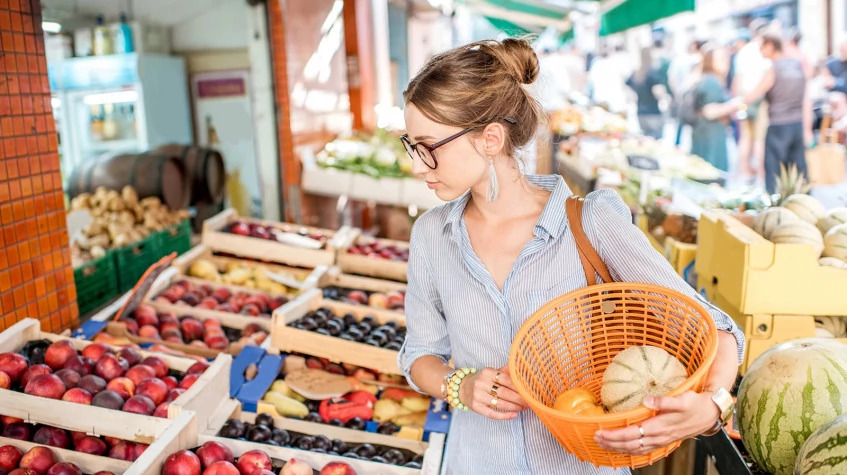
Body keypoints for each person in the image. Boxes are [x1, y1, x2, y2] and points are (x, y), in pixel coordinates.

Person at [399, 37, 745, 474]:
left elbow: (713, 328)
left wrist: (712, 406)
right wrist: (460, 385)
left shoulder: (590, 223)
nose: (416, 165)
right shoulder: (432, 235)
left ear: (490, 138)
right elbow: (419, 356)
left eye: (429, 146)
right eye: (411, 145)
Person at [744, 33, 811, 193]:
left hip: (778, 125)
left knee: (774, 170)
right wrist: (807, 129)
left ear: (770, 46)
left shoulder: (773, 68)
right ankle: (803, 202)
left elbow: (753, 95)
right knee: (798, 169)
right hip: (796, 124)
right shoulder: (797, 65)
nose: (760, 51)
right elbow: (806, 99)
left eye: (762, 47)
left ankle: (775, 206)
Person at [733, 19, 771, 181]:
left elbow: (737, 79)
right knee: (759, 140)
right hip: (760, 99)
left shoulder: (744, 51)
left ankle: (744, 172)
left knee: (745, 138)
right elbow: (767, 80)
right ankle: (761, 175)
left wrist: (738, 100)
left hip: (744, 98)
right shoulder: (765, 52)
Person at [691, 46, 738, 172]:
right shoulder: (711, 82)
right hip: (710, 134)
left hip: (707, 132)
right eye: (721, 59)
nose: (726, 62)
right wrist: (732, 105)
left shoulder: (709, 79)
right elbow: (709, 111)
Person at [626, 47, 665, 139]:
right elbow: (658, 91)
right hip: (653, 112)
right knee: (656, 142)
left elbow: (627, 86)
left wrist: (634, 96)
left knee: (646, 140)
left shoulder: (637, 73)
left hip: (640, 112)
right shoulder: (652, 73)